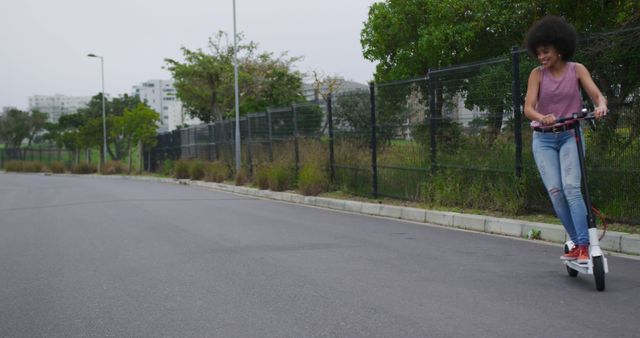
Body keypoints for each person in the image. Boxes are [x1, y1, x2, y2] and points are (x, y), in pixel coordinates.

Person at [523, 15, 607, 263]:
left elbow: (596, 96)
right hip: (544, 139)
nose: (542, 57)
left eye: (546, 51)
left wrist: (600, 106)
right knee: (556, 192)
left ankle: (583, 245)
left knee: (572, 189)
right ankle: (575, 240)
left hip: (571, 134)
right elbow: (528, 108)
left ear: (559, 49)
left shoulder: (577, 69)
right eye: (538, 53)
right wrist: (542, 116)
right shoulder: (537, 75)